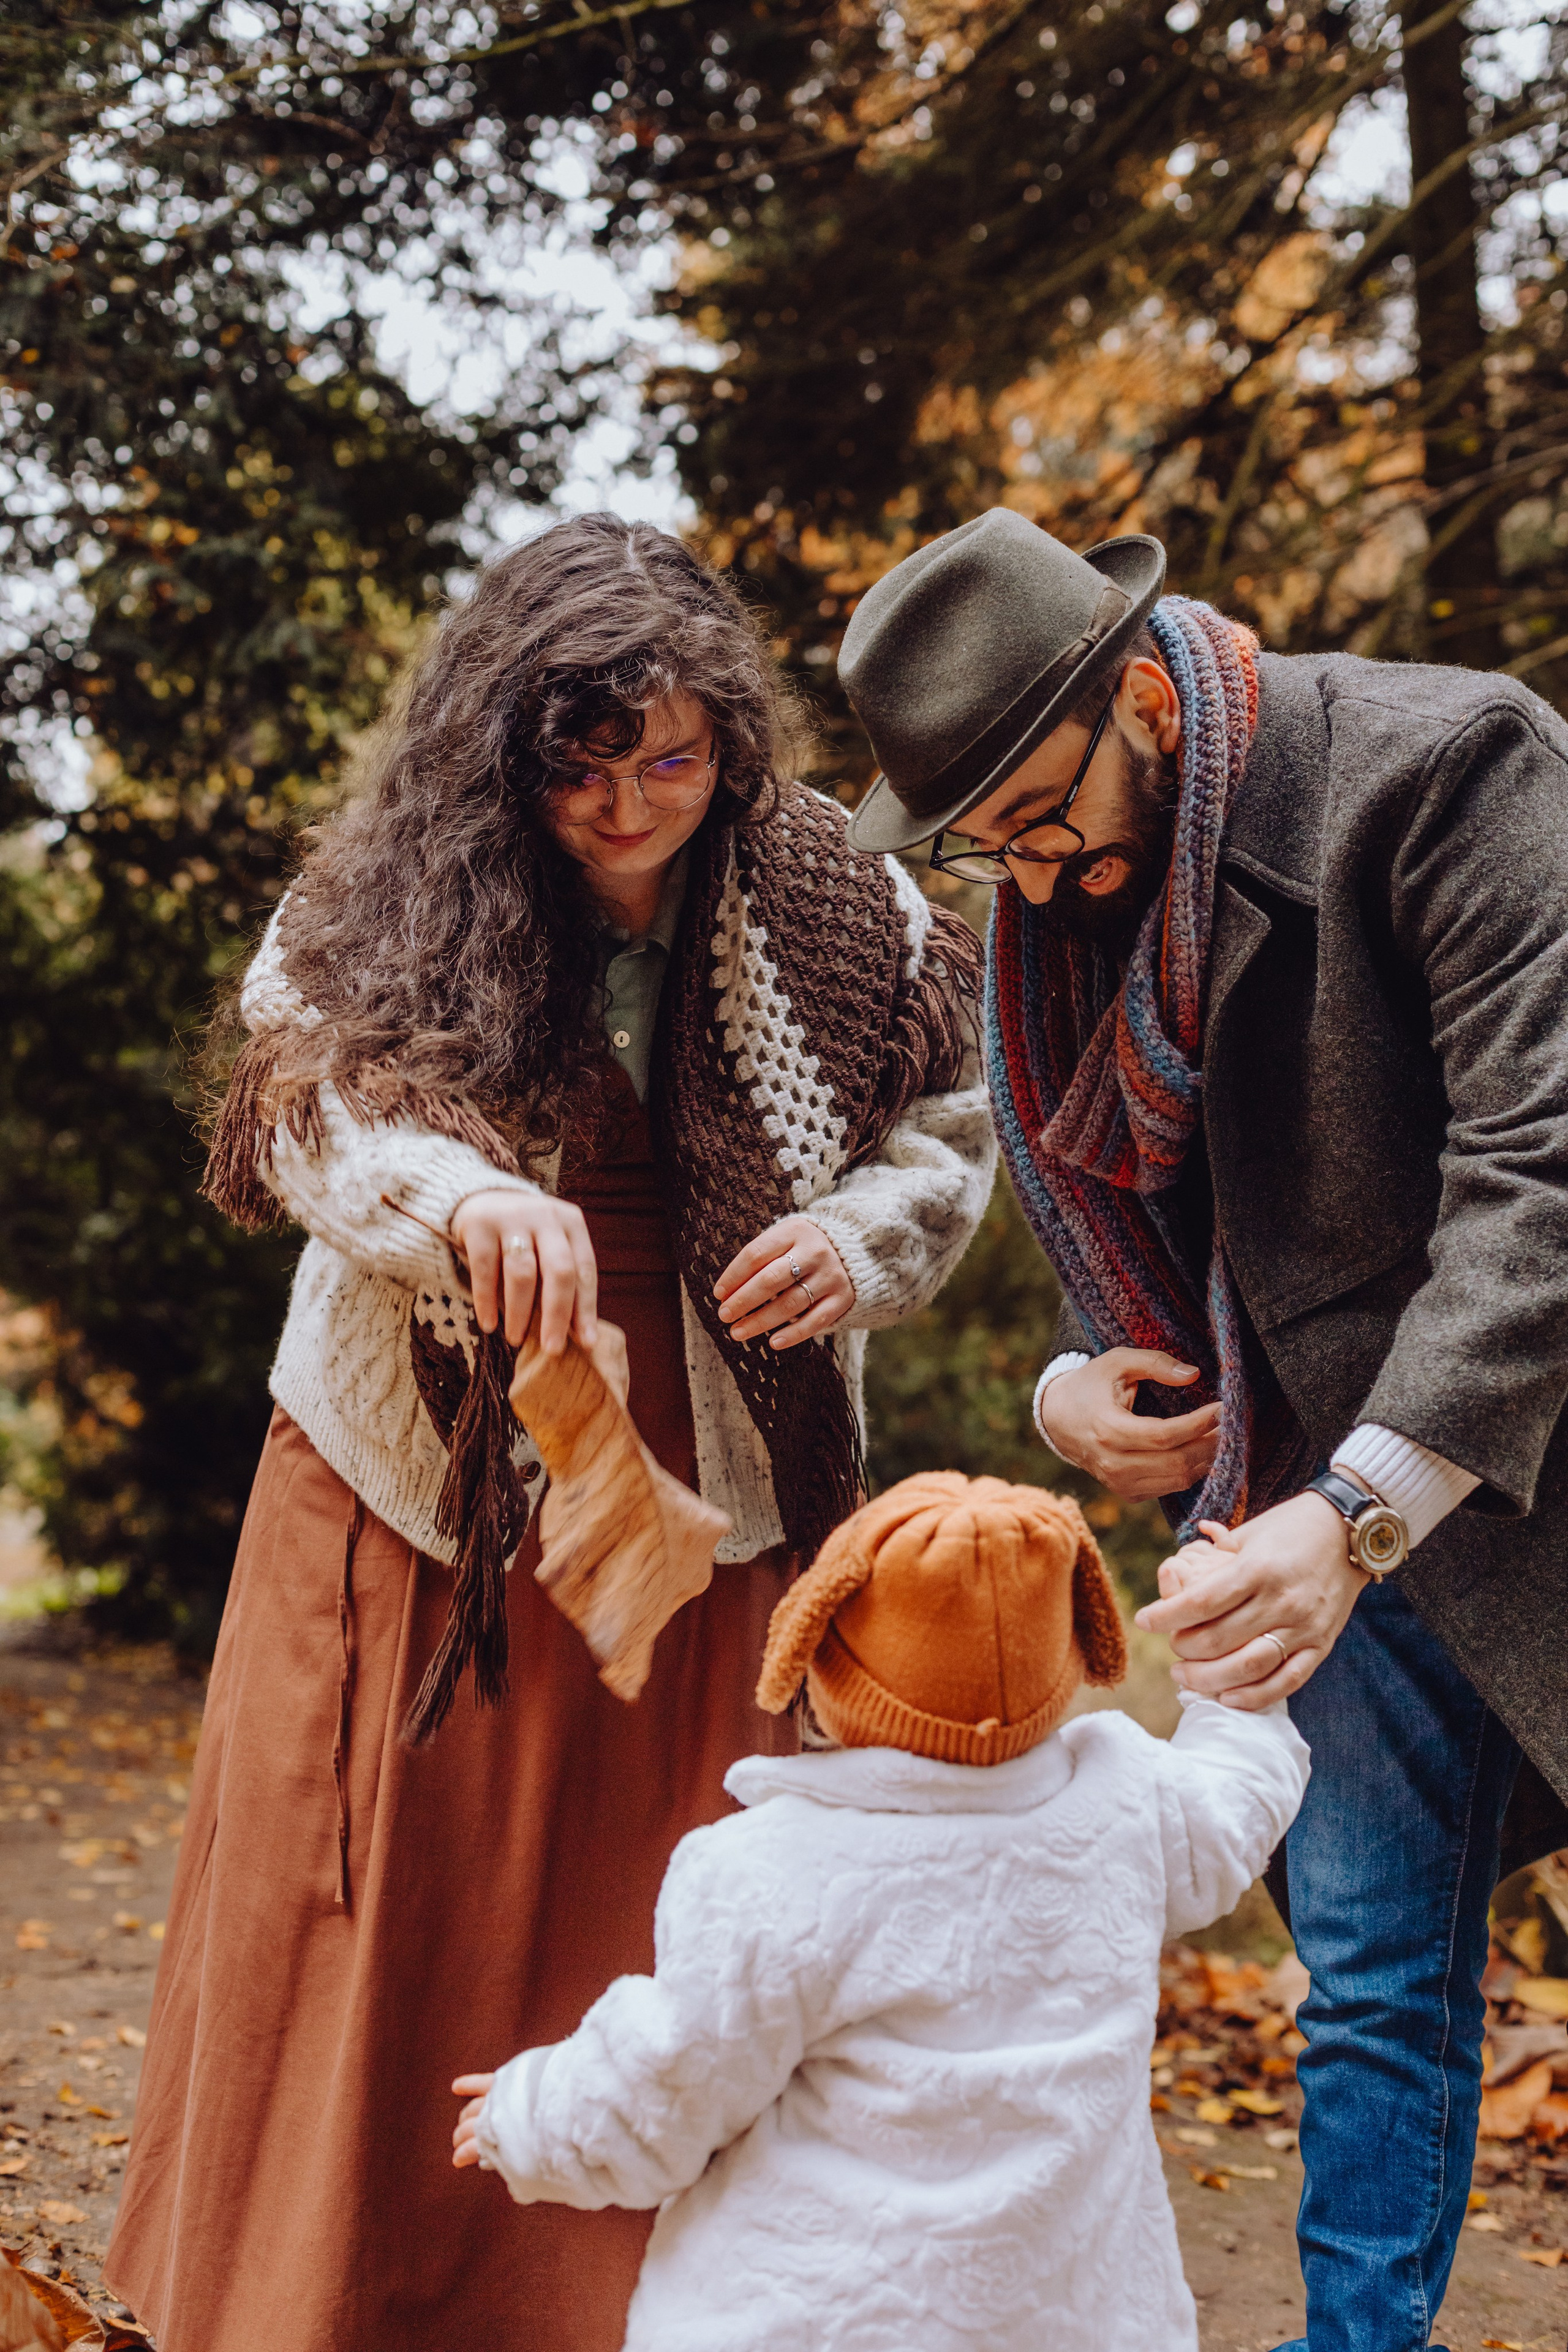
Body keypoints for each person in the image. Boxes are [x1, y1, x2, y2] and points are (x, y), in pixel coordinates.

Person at [104, 514, 996, 2352]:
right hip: (415, 1479)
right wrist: (452, 1201)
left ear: (731, 744)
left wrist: (850, 1241)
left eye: (671, 759)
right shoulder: (377, 894)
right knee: (392, 1914)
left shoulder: (846, 900)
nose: (625, 804)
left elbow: (953, 1134)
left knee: (673, 1919)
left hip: (724, 1478)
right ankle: (320, 2305)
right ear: (503, 745)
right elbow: (305, 1113)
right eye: (579, 762)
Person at [834, 506, 1568, 2352]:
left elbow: (1543, 1181)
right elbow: (1133, 1219)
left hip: (1511, 1448)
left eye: (1039, 812)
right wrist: (1075, 1386)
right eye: (982, 844)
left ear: (1139, 698)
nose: (1029, 872)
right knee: (1374, 1982)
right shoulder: (1067, 898)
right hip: (1315, 1507)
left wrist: (1361, 1508)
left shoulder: (1457, 768)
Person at [451, 1470, 1309, 2351]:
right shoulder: (1127, 1809)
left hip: (815, 2317)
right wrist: (1234, 1665)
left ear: (823, 1655)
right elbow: (1238, 1797)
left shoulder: (773, 1871)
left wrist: (536, 2112)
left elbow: (671, 2080)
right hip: (1067, 2317)